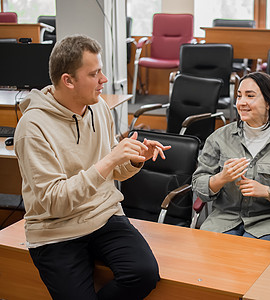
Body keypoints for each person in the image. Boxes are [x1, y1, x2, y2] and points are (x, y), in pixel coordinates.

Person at [14, 34, 170, 299]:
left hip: (103, 215)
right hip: (56, 229)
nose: (104, 80)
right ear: (68, 81)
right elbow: (55, 202)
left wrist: (132, 159)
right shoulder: (32, 128)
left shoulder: (99, 109)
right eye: (94, 73)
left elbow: (113, 169)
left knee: (144, 274)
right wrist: (109, 160)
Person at [192, 72, 270, 244]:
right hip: (224, 222)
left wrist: (268, 192)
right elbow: (198, 183)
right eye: (239, 96)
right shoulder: (219, 138)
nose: (241, 102)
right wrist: (220, 178)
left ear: (269, 103)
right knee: (210, 261)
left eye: (250, 96)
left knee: (248, 261)